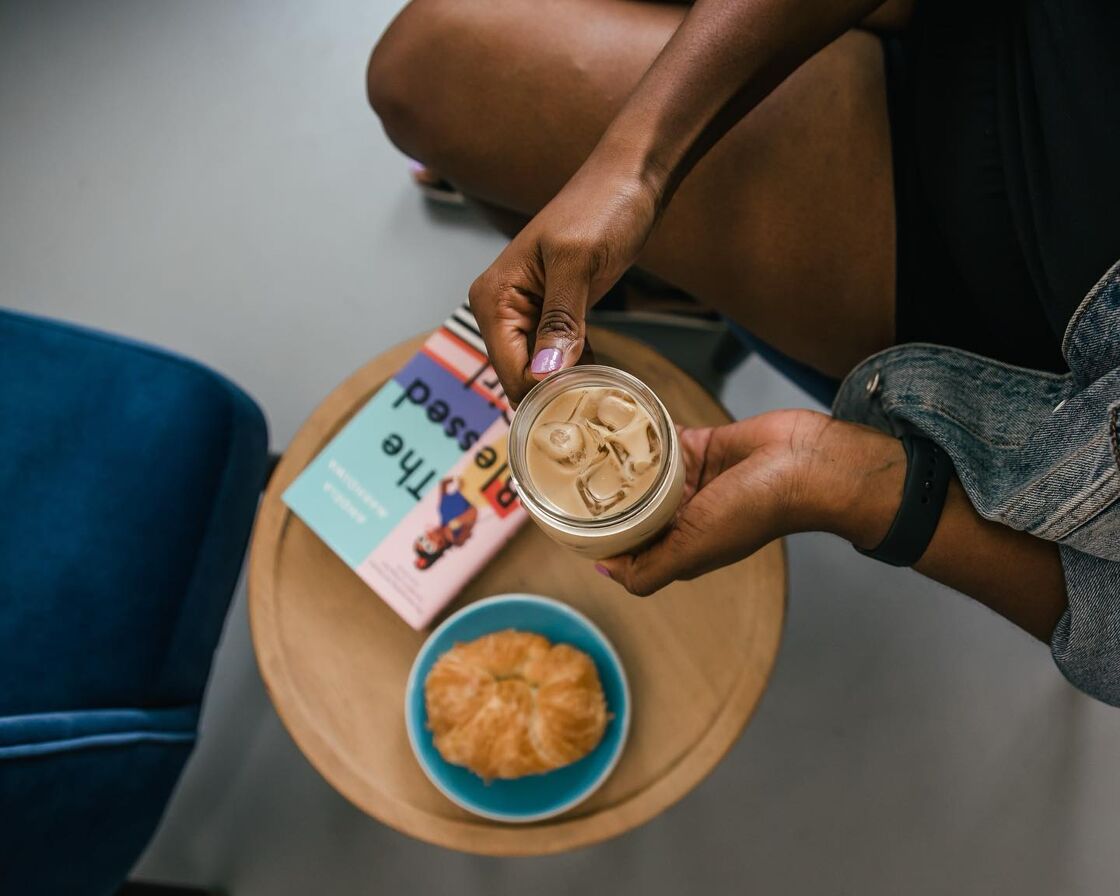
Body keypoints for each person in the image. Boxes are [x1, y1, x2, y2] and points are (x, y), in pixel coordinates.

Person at [368, 1, 1120, 704]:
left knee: (423, 73)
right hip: (1014, 40)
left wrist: (860, 488)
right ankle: (671, 275)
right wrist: (634, 164)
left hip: (991, 293)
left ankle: (680, 283)